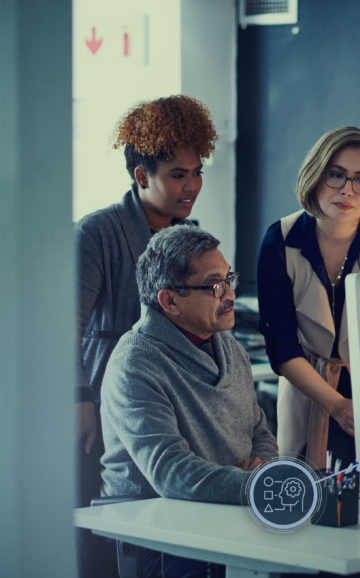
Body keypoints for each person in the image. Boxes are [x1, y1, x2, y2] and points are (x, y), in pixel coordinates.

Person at [100, 225, 277, 578]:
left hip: (226, 513)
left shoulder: (228, 345)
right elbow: (170, 472)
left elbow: (259, 431)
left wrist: (263, 471)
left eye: (230, 279)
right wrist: (255, 487)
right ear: (169, 301)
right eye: (215, 286)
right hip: (155, 533)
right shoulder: (135, 362)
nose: (229, 294)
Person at [75, 95, 218, 508]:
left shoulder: (189, 235)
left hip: (169, 405)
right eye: (177, 174)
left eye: (197, 172)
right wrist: (78, 399)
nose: (191, 186)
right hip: (104, 400)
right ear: (141, 175)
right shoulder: (96, 233)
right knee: (100, 527)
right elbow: (63, 326)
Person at [257, 127, 360, 470]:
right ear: (316, 176)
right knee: (308, 507)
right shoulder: (279, 241)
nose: (347, 190)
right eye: (336, 175)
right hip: (307, 394)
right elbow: (283, 348)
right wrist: (336, 405)